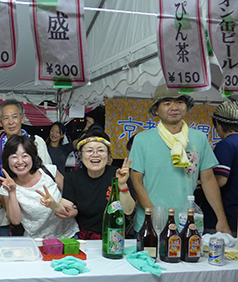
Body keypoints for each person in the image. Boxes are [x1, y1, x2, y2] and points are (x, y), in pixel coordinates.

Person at [129, 84, 232, 235]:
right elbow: (136, 181)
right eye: (167, 103)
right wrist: (154, 217)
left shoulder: (199, 138)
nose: (174, 107)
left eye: (179, 102)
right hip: (150, 224)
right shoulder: (142, 139)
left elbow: (208, 180)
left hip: (187, 223)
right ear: (156, 110)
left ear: (186, 107)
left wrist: (221, 219)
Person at [59, 124, 136, 239]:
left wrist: (122, 184)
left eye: (100, 150)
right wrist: (53, 205)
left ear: (108, 154)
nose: (95, 154)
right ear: (80, 155)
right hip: (83, 237)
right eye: (89, 150)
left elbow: (128, 211)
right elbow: (65, 207)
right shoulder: (72, 177)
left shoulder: (119, 174)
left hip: (115, 237)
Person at [0, 135, 79, 239]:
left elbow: (73, 197)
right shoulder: (8, 187)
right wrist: (12, 192)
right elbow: (15, 221)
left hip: (68, 237)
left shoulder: (50, 172)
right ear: (7, 160)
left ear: (32, 157)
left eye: (25, 156)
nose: (20, 161)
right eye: (14, 157)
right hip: (36, 242)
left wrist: (69, 209)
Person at [0, 99, 52, 236]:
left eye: (14, 117)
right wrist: (7, 203)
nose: (11, 122)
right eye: (6, 118)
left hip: (36, 212)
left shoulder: (36, 142)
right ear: (0, 122)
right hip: (4, 211)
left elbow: (48, 177)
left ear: (22, 118)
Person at [207, 101, 238, 233]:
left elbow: (220, 180)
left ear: (217, 124)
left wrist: (202, 181)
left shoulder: (225, 145)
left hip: (229, 209)